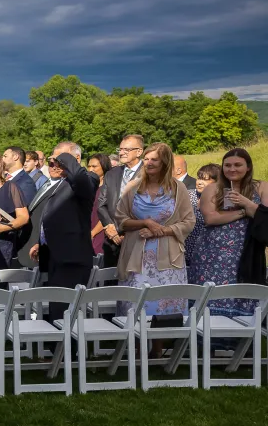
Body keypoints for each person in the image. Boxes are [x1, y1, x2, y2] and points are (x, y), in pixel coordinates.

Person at [115, 143, 195, 357]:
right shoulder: (133, 187)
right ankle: (138, 349)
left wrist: (162, 230)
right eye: (147, 159)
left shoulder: (178, 189)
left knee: (162, 304)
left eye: (154, 160)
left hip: (167, 257)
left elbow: (189, 221)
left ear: (165, 163)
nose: (149, 163)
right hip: (136, 255)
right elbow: (121, 220)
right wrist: (145, 222)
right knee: (138, 302)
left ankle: (158, 349)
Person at [192, 148, 268, 317]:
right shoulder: (213, 189)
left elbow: (265, 216)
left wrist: (246, 203)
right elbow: (210, 218)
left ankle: (241, 340)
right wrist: (242, 213)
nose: (232, 169)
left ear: (248, 167)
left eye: (237, 165)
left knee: (241, 294)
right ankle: (206, 340)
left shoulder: (261, 187)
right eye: (227, 165)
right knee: (212, 294)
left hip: (246, 252)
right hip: (212, 254)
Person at [29, 142, 97, 324]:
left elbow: (80, 178)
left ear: (75, 160)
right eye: (51, 162)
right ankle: (57, 350)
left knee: (64, 313)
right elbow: (56, 216)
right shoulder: (60, 184)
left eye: (58, 161)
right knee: (56, 310)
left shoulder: (88, 179)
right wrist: (42, 241)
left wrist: (64, 158)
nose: (53, 165)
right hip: (54, 256)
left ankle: (69, 352)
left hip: (71, 258)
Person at [97, 134, 145, 267]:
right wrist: (109, 227)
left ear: (139, 152)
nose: (122, 153)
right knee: (110, 283)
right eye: (120, 149)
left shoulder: (149, 173)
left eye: (127, 150)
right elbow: (101, 204)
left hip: (137, 241)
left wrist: (128, 233)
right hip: (111, 241)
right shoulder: (112, 173)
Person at [185, 164, 220, 283]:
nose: (199, 182)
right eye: (199, 178)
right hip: (185, 250)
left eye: (205, 179)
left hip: (209, 252)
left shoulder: (222, 199)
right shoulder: (187, 195)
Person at [87, 153, 112, 256]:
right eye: (89, 166)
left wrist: (93, 233)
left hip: (99, 232)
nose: (90, 169)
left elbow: (107, 213)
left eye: (94, 166)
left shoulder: (108, 187)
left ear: (104, 167)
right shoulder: (87, 185)